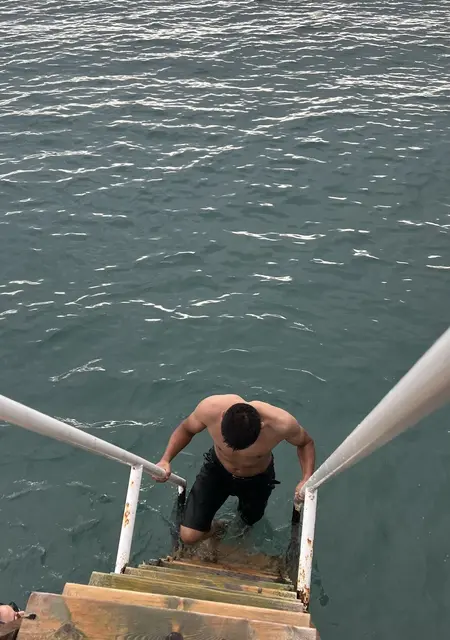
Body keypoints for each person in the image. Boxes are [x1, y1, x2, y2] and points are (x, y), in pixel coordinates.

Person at [154, 394, 315, 545]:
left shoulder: (282, 424)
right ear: (222, 416)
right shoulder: (210, 409)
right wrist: (165, 460)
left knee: (245, 527)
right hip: (217, 470)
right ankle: (219, 528)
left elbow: (305, 443)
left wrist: (306, 477)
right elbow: (186, 429)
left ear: (262, 426)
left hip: (257, 479)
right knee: (188, 537)